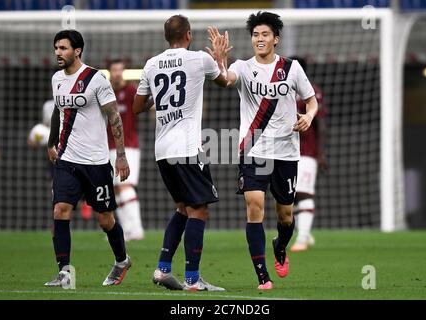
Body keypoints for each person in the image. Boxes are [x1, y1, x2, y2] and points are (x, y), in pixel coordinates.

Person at [208, 11, 318, 290]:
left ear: (276, 39)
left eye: (265, 34)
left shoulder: (291, 68)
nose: (259, 39)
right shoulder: (244, 67)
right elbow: (226, 79)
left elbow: (311, 100)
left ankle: (280, 246)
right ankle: (262, 276)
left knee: (285, 216)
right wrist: (219, 61)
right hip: (253, 149)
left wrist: (308, 116)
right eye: (256, 34)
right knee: (254, 207)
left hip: (287, 152)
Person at [133, 15, 228, 291]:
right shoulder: (200, 59)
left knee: (183, 208)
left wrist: (162, 99)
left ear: (166, 37)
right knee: (198, 210)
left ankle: (163, 270)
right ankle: (192, 279)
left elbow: (139, 106)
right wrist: (220, 57)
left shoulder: (151, 64)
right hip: (187, 148)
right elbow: (224, 81)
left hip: (162, 150)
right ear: (188, 35)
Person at [45, 29, 132, 287]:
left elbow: (114, 116)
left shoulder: (96, 79)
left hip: (95, 163)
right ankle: (64, 273)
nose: (58, 53)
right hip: (67, 160)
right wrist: (51, 142)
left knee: (105, 219)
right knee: (60, 210)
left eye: (63, 48)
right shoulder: (56, 79)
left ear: (77, 50)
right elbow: (58, 113)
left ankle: (121, 259)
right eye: (56, 48)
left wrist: (121, 156)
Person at [27, 99, 94, 221]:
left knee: (81, 177)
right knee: (58, 190)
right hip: (56, 157)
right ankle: (58, 220)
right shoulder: (47, 106)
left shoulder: (75, 100)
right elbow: (33, 141)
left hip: (73, 147)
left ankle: (85, 201)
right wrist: (37, 140)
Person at [289, 57, 327, 253]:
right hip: (284, 152)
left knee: (303, 193)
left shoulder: (310, 91)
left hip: (306, 151)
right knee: (290, 196)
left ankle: (302, 237)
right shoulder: (280, 89)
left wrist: (319, 152)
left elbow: (319, 122)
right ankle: (305, 232)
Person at [107, 59, 145, 241]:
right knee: (116, 189)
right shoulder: (106, 93)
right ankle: (126, 231)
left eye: (119, 70)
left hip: (128, 145)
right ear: (109, 72)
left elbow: (145, 104)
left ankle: (136, 229)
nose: (117, 73)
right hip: (108, 146)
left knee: (125, 185)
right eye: (114, 70)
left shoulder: (130, 91)